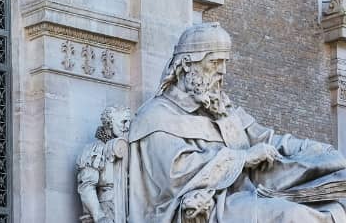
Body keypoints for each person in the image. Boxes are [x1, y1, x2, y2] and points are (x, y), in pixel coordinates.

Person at [127, 22, 346, 222]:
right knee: (294, 216)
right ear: (186, 64)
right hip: (209, 204)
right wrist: (242, 158)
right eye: (214, 62)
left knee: (333, 206)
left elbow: (267, 139)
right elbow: (174, 176)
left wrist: (316, 150)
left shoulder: (222, 109)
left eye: (225, 62)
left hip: (248, 193)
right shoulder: (156, 116)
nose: (222, 70)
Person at [77, 106, 131, 223]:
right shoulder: (95, 150)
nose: (127, 127)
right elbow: (87, 187)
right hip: (107, 211)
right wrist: (99, 216)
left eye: (129, 122)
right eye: (123, 122)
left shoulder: (130, 150)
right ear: (110, 123)